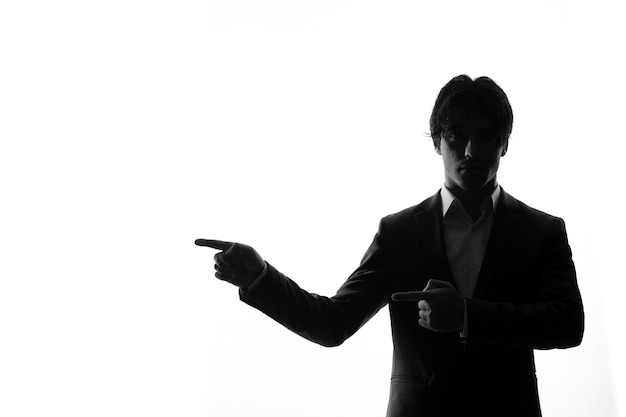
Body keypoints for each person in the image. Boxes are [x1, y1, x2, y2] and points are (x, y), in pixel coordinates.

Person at [196, 75, 584, 417]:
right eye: (456, 136)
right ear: (437, 142)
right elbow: (333, 323)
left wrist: (467, 315)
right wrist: (260, 277)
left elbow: (568, 324)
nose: (470, 151)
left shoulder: (542, 230)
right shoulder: (399, 233)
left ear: (505, 144)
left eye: (486, 136)